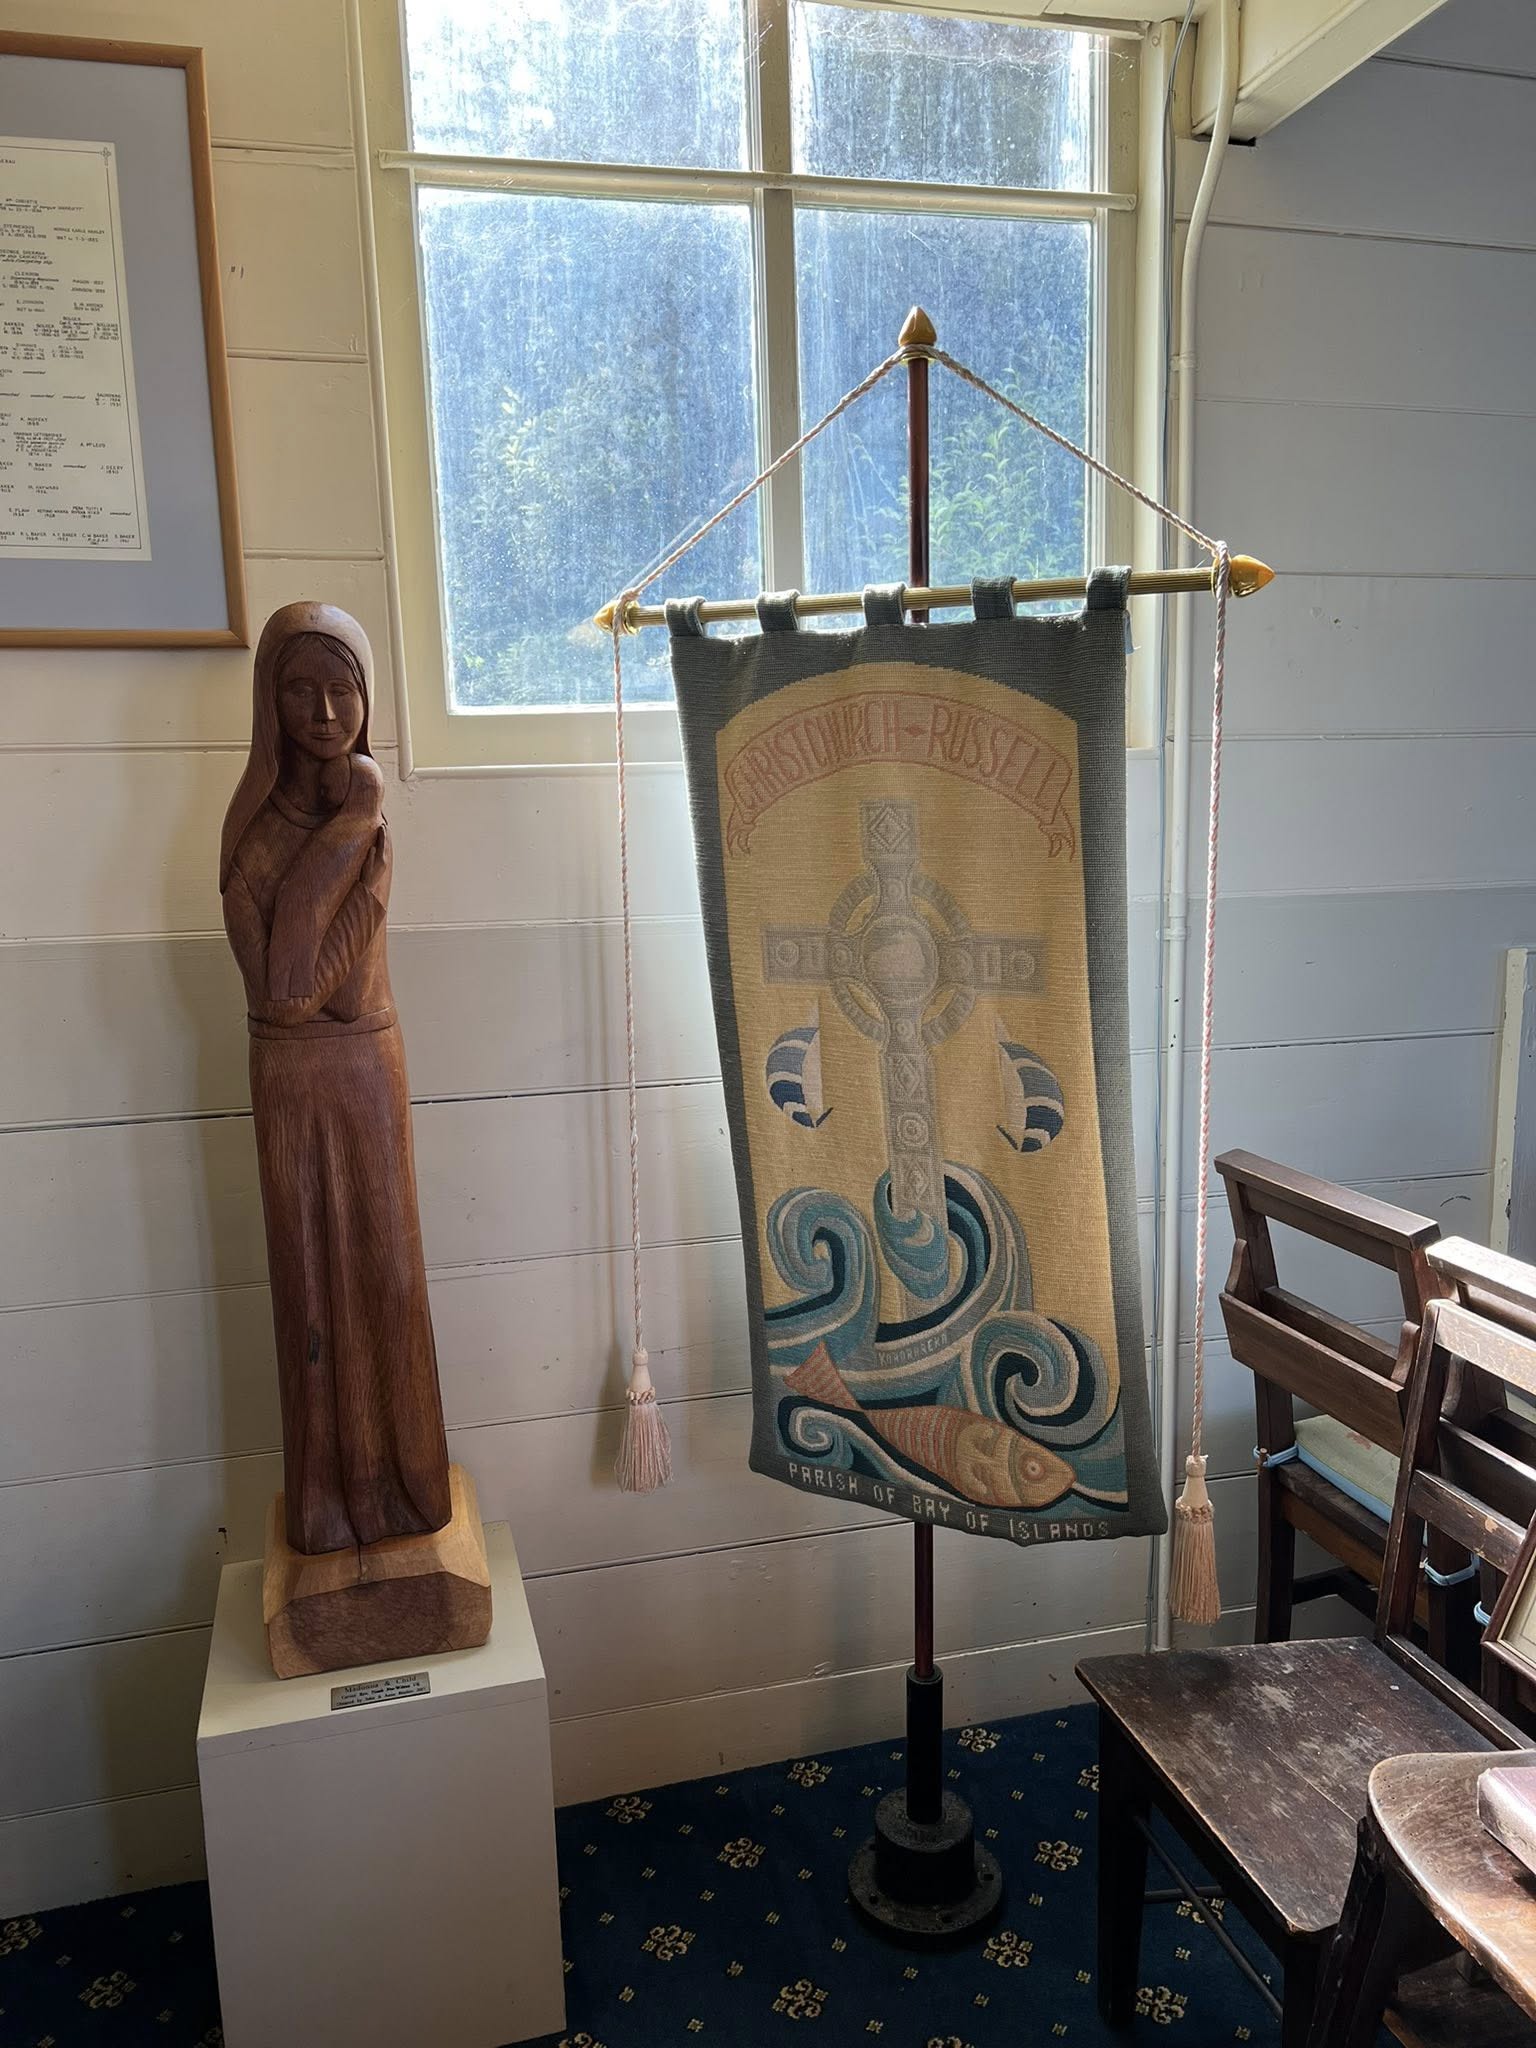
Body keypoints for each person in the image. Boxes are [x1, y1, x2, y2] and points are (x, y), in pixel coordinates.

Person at [220, 603, 452, 1555]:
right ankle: (325, 1496)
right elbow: (284, 996)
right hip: (290, 1085)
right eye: (299, 691)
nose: (323, 713)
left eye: (342, 691)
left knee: (388, 1275)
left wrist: (358, 827)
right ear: (269, 705)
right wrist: (345, 827)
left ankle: (405, 1482)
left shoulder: (375, 833)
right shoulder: (252, 841)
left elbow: (347, 989)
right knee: (308, 1285)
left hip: (366, 1073)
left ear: (367, 700)